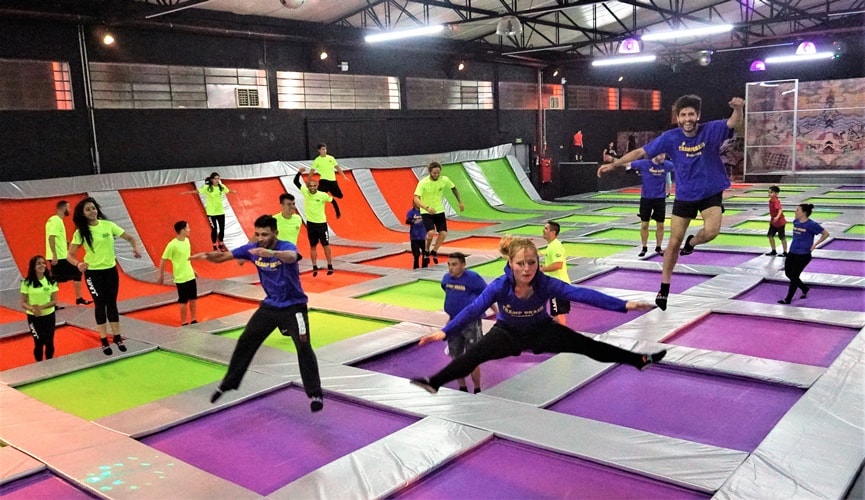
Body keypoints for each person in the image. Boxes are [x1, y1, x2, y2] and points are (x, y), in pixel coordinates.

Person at [409, 237, 665, 394]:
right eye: (521, 263)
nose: (527, 268)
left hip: (542, 330)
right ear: (510, 264)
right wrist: (445, 331)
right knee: (474, 355)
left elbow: (581, 294)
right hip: (507, 334)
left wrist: (623, 305)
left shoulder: (546, 283)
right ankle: (434, 382)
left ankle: (639, 360)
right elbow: (474, 309)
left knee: (588, 346)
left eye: (532, 262)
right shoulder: (500, 286)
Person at [598, 95, 745, 310]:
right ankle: (664, 287)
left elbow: (733, 122)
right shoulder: (671, 137)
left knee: (712, 231)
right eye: (683, 115)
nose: (687, 118)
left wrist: (738, 108)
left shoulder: (710, 130)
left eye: (691, 114)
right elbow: (641, 152)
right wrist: (615, 165)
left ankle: (692, 243)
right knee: (673, 242)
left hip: (710, 191)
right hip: (685, 195)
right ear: (678, 117)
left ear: (698, 116)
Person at [194, 215, 323, 412]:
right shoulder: (252, 249)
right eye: (258, 234)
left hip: (294, 306)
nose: (261, 238)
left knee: (303, 346)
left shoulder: (284, 246)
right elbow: (224, 257)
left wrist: (270, 253)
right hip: (270, 306)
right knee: (246, 340)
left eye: (265, 234)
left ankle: (315, 393)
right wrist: (207, 256)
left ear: (275, 234)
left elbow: (292, 256)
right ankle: (229, 383)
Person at [66, 197, 142, 355]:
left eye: (93, 208)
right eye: (87, 209)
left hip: (110, 271)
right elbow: (70, 255)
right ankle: (103, 339)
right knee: (100, 304)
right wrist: (78, 264)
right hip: (93, 273)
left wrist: (135, 248)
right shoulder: (81, 232)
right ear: (83, 214)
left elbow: (130, 237)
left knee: (112, 303)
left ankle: (117, 337)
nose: (92, 211)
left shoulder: (108, 225)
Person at [600, 153, 674, 257]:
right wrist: (612, 159)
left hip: (660, 199)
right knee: (644, 225)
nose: (663, 157)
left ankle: (658, 247)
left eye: (664, 155)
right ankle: (644, 247)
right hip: (646, 199)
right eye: (661, 155)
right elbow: (626, 163)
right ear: (654, 155)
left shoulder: (667, 165)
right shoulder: (644, 164)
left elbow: (683, 166)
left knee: (660, 225)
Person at [441, 252, 490, 393]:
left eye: (454, 264)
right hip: (454, 323)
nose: (451, 268)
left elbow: (487, 293)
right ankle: (462, 387)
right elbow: (448, 293)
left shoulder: (473, 278)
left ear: (463, 265)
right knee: (455, 356)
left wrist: (494, 310)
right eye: (449, 265)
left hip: (471, 322)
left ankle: (477, 388)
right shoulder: (446, 279)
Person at [413, 161, 464, 268]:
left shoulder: (444, 179)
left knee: (444, 233)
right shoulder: (423, 183)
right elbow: (416, 198)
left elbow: (453, 188)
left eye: (438, 173)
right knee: (431, 232)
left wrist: (459, 202)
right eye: (434, 173)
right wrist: (426, 207)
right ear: (430, 172)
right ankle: (426, 250)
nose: (436, 175)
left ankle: (434, 251)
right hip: (426, 211)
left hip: (439, 210)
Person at [778, 203, 829, 305]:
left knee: (794, 276)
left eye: (797, 210)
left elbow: (826, 233)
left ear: (804, 212)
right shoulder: (796, 222)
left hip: (803, 255)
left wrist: (815, 245)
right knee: (788, 273)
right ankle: (804, 288)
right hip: (792, 252)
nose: (795, 212)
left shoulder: (811, 224)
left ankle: (788, 299)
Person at [45, 200, 91, 306]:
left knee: (57, 278)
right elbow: (51, 237)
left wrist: (65, 242)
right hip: (59, 256)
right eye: (68, 208)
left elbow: (54, 237)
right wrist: (55, 255)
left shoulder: (52, 220)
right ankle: (76, 299)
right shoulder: (57, 221)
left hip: (59, 254)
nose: (69, 210)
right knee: (75, 273)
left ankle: (52, 302)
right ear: (64, 208)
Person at [157, 221, 199, 326]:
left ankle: (194, 319)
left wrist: (193, 270)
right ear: (182, 230)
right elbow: (163, 260)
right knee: (183, 300)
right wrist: (161, 275)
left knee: (193, 298)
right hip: (180, 277)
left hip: (190, 275)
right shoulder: (172, 245)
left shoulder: (187, 241)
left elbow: (187, 259)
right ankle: (184, 321)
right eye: (188, 228)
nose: (189, 230)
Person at [294, 166, 334, 276]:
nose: (312, 188)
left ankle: (330, 265)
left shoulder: (322, 195)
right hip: (311, 224)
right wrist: (299, 172)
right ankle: (314, 266)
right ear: (308, 187)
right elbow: (296, 182)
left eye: (314, 186)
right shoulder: (305, 192)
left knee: (325, 244)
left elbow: (333, 201)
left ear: (317, 186)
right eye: (310, 186)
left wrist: (337, 212)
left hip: (321, 224)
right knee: (313, 246)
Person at [183, 172, 236, 252]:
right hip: (211, 213)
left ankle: (221, 244)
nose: (217, 180)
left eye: (218, 178)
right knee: (214, 229)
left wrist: (233, 191)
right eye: (215, 179)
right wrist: (187, 193)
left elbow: (227, 191)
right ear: (211, 180)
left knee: (222, 229)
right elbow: (198, 191)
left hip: (220, 211)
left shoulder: (221, 187)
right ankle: (214, 245)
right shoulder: (207, 187)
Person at [20, 255, 59, 362]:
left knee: (49, 342)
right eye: (39, 263)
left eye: (43, 263)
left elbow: (54, 301)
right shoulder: (26, 282)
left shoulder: (51, 281)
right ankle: (39, 365)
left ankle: (49, 363)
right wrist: (32, 309)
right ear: (33, 267)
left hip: (49, 316)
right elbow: (23, 302)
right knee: (38, 342)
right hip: (34, 318)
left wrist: (40, 308)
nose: (42, 265)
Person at [540, 221, 570, 326]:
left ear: (553, 232)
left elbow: (558, 265)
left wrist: (543, 269)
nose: (543, 230)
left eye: (546, 228)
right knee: (557, 313)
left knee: (557, 314)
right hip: (556, 285)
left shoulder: (555, 246)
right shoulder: (551, 246)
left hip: (558, 285)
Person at [310, 143, 348, 219]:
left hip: (332, 181)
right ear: (319, 150)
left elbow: (337, 167)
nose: (324, 151)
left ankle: (329, 192)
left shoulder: (331, 158)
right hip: (324, 180)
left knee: (340, 196)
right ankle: (315, 212)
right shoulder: (317, 160)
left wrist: (343, 176)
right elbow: (312, 170)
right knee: (318, 197)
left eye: (325, 149)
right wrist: (308, 180)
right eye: (323, 149)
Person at [766, 186, 788, 257]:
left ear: (776, 193)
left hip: (780, 222)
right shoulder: (770, 201)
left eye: (771, 192)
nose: (769, 194)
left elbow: (780, 210)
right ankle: (773, 250)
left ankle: (785, 252)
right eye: (769, 192)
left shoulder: (776, 201)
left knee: (782, 237)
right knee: (770, 235)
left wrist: (777, 217)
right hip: (773, 222)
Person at [406, 202, 426, 269]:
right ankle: (416, 268)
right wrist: (413, 222)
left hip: (423, 236)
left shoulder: (424, 212)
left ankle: (425, 268)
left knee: (425, 254)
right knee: (416, 255)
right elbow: (407, 221)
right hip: (414, 237)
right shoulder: (411, 212)